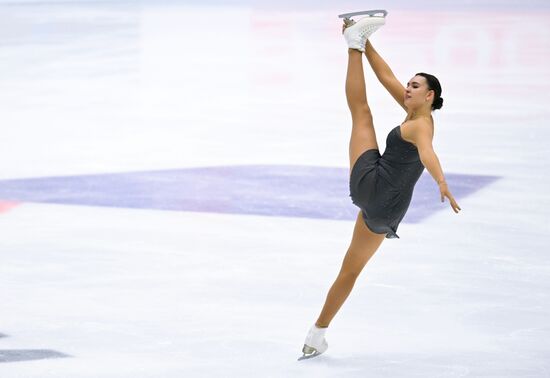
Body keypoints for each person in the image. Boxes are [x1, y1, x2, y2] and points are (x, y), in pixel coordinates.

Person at [299, 13, 461, 360]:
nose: (407, 88)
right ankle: (316, 335)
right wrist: (366, 41)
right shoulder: (413, 113)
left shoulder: (421, 126)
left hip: (372, 184)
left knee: (361, 113)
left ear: (430, 95)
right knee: (351, 270)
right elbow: (385, 75)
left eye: (415, 86)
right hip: (384, 209)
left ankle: (352, 46)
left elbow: (429, 153)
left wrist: (443, 182)